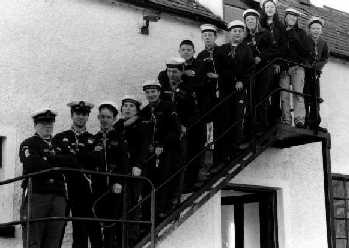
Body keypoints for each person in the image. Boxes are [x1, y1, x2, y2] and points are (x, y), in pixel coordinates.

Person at [52, 101, 103, 248]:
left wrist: (72, 157)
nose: (80, 117)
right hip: (65, 188)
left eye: (84, 114)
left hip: (85, 189)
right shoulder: (60, 137)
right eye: (77, 114)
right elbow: (56, 159)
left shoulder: (94, 139)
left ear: (88, 116)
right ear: (72, 115)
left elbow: (97, 160)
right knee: (58, 227)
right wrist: (84, 156)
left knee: (86, 229)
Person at [19, 109, 69, 248]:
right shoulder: (29, 143)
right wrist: (57, 162)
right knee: (33, 240)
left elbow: (71, 162)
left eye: (50, 123)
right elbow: (32, 164)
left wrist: (48, 159)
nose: (48, 126)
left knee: (54, 240)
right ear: (35, 125)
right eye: (43, 123)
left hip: (58, 196)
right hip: (37, 194)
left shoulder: (59, 144)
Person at [139, 80, 180, 220]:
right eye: (148, 92)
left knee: (164, 180)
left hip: (166, 151)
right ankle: (147, 216)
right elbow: (143, 135)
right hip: (150, 154)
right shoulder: (144, 112)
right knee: (148, 183)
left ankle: (162, 210)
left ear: (159, 92)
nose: (151, 95)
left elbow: (174, 130)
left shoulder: (168, 107)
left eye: (153, 91)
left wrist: (162, 144)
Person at [161, 57, 202, 192]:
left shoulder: (188, 89)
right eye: (169, 71)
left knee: (180, 161)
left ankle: (180, 190)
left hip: (182, 132)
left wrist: (186, 126)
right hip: (166, 132)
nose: (171, 75)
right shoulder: (163, 90)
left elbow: (195, 113)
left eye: (175, 72)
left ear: (181, 72)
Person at [92, 102, 129, 248]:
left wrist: (119, 181)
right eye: (102, 116)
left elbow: (124, 162)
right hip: (99, 186)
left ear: (114, 119)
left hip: (115, 187)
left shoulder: (119, 138)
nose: (104, 120)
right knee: (98, 220)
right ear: (98, 117)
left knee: (113, 222)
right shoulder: (94, 139)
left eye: (108, 117)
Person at [114, 95, 148, 245]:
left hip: (135, 169)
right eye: (125, 106)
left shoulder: (141, 125)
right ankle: (119, 236)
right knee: (120, 203)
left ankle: (132, 236)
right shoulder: (118, 126)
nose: (127, 109)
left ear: (137, 109)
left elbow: (144, 146)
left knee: (134, 201)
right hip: (120, 170)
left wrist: (138, 165)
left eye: (131, 106)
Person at [218, 20, 254, 163]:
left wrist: (242, 81)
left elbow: (250, 68)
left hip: (239, 89)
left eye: (240, 31)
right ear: (229, 33)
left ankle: (235, 147)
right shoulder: (222, 49)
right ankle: (224, 152)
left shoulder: (246, 49)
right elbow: (221, 68)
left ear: (243, 34)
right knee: (225, 119)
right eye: (234, 31)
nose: (237, 33)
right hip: (225, 88)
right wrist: (232, 78)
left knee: (238, 117)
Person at [243, 9, 275, 134]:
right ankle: (251, 127)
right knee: (251, 98)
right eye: (247, 20)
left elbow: (273, 50)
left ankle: (262, 125)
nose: (250, 21)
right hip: (252, 71)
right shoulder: (245, 39)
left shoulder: (265, 34)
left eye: (252, 19)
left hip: (265, 68)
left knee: (262, 96)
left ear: (257, 21)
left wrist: (261, 57)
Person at [280, 8, 312, 127]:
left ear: (297, 19)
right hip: (284, 68)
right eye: (290, 16)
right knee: (284, 95)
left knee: (298, 93)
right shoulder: (280, 32)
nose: (292, 18)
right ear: (285, 17)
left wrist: (294, 37)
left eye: (295, 17)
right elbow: (278, 50)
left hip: (297, 67)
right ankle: (286, 120)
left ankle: (299, 119)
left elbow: (305, 52)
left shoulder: (301, 33)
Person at [259, 0, 287, 124]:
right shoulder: (260, 24)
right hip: (264, 62)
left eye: (271, 7)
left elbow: (283, 46)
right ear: (264, 9)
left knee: (275, 89)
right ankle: (263, 118)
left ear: (275, 9)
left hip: (276, 61)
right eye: (267, 7)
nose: (269, 9)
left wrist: (278, 63)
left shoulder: (280, 25)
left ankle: (275, 117)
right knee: (263, 91)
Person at [304, 16, 329, 129]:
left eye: (318, 28)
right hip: (305, 73)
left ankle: (315, 123)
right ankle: (304, 121)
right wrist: (308, 66)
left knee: (315, 98)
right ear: (309, 29)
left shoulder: (323, 43)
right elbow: (301, 54)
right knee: (304, 96)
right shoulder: (304, 39)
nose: (316, 31)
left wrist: (317, 68)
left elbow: (325, 59)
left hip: (315, 74)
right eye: (314, 28)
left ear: (321, 30)